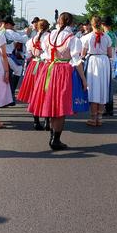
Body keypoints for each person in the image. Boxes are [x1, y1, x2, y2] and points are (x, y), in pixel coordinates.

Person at [27, 12, 87, 150]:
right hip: (63, 72)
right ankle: (55, 139)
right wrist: (83, 80)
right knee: (60, 106)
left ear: (58, 21)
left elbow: (45, 54)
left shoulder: (48, 36)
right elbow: (77, 61)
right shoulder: (72, 38)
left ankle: (53, 137)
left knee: (52, 103)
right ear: (71, 23)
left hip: (48, 69)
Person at [18, 18, 51, 130]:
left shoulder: (30, 41)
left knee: (34, 93)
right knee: (46, 93)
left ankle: (36, 121)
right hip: (45, 66)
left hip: (34, 65)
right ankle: (47, 121)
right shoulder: (49, 39)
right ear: (47, 27)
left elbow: (27, 56)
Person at [81, 15, 113, 126]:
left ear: (92, 24)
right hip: (104, 62)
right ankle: (99, 118)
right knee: (103, 89)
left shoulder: (87, 37)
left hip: (93, 62)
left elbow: (82, 54)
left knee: (93, 89)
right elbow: (110, 54)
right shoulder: (107, 37)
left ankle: (93, 118)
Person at [2, 16, 28, 104]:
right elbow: (23, 39)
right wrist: (27, 33)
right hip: (7, 56)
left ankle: (8, 95)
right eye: (11, 24)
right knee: (18, 70)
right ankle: (11, 93)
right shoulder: (9, 31)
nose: (12, 26)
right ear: (7, 24)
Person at [102, 16, 117, 116]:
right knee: (109, 86)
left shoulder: (105, 35)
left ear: (103, 25)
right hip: (113, 61)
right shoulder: (114, 35)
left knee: (105, 86)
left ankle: (107, 107)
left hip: (106, 61)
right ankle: (110, 107)